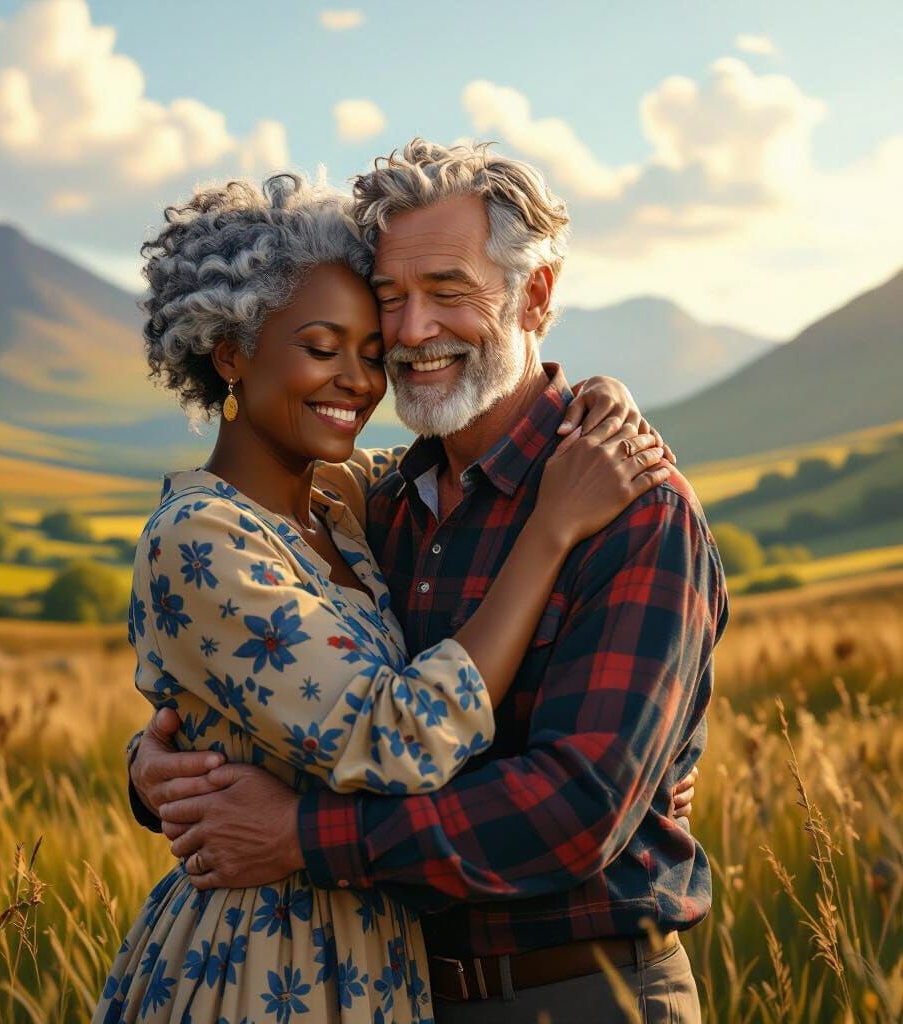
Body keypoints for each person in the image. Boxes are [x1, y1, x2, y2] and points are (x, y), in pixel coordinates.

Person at [128, 141, 728, 1023]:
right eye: (391, 301)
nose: (410, 335)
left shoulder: (631, 509)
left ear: (536, 295)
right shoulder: (378, 505)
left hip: (577, 994)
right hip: (387, 991)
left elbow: (576, 810)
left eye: (448, 289)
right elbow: (280, 687)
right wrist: (161, 771)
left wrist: (299, 837)